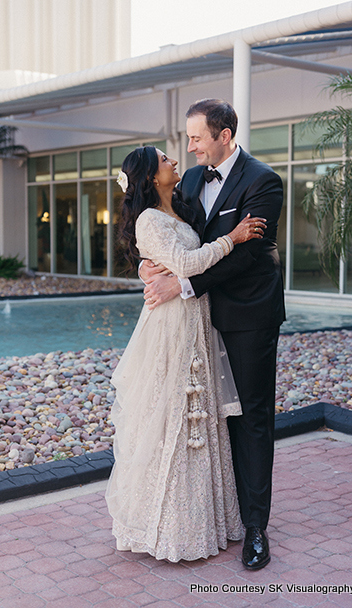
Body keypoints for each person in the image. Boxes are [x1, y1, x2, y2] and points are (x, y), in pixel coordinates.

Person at [142, 99, 285, 570]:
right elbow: (167, 233)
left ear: (225, 135)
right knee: (208, 421)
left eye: (197, 137)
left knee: (251, 418)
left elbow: (248, 254)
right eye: (188, 138)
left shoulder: (264, 181)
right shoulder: (188, 182)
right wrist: (145, 265)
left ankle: (256, 529)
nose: (190, 146)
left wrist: (182, 283)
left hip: (247, 316)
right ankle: (220, 516)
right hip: (196, 325)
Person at [105, 145, 267, 562]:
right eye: (164, 159)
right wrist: (232, 238)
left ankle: (206, 519)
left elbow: (173, 260)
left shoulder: (182, 202)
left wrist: (147, 263)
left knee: (201, 414)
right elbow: (184, 260)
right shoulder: (148, 218)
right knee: (173, 413)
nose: (176, 160)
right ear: (149, 176)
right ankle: (166, 524)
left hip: (196, 318)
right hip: (171, 324)